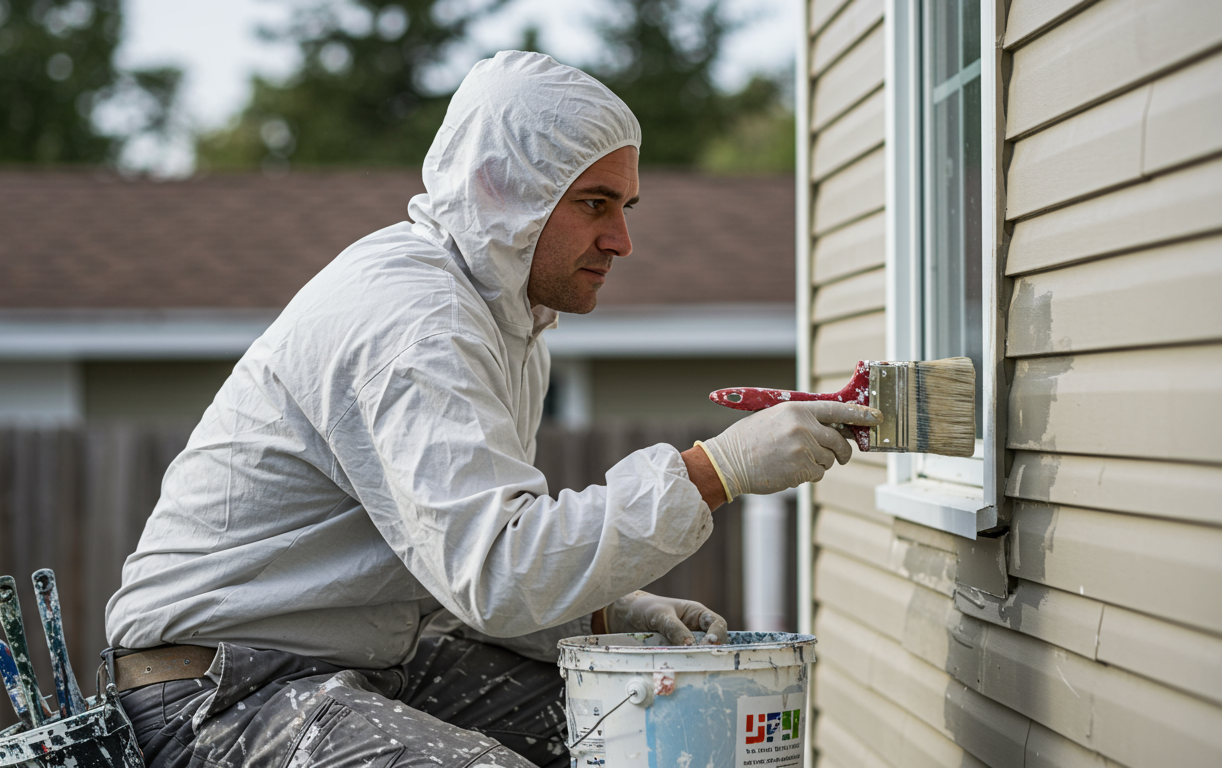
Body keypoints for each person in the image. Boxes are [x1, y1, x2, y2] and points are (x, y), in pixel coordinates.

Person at [104, 51, 879, 768]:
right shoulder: (413, 321)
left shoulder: (508, 325)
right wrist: (717, 470)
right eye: (595, 204)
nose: (622, 240)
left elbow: (457, 560)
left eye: (627, 205)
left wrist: (610, 616)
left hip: (365, 659)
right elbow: (498, 572)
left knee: (630, 727)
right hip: (220, 693)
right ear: (496, 191)